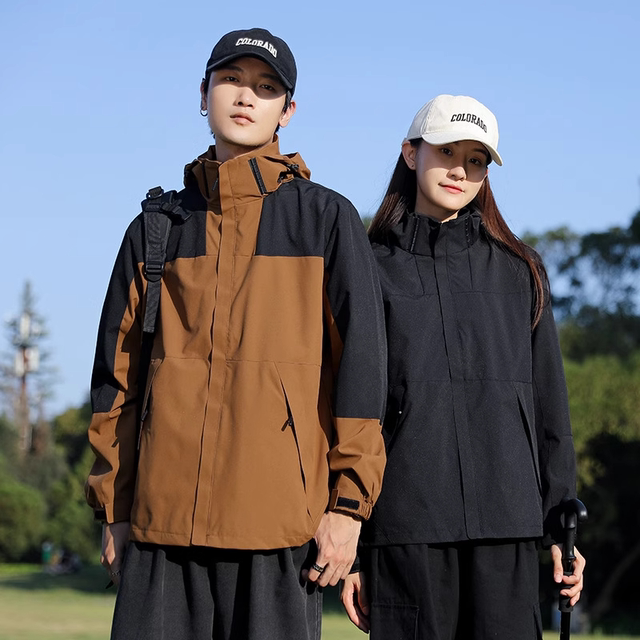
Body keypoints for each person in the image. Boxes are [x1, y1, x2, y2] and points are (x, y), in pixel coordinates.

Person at [85, 27, 387, 640]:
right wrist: (113, 508)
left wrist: (349, 508)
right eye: (231, 80)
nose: (246, 96)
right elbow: (116, 381)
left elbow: (362, 371)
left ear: (288, 110)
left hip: (280, 532)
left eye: (266, 87)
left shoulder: (325, 219)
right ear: (203, 95)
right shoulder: (156, 229)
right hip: (161, 529)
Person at [341, 94, 585, 639]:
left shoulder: (521, 271)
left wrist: (561, 528)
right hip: (405, 529)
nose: (460, 170)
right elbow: (352, 409)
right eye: (446, 152)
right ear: (411, 154)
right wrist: (353, 544)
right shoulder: (369, 269)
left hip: (508, 530)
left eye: (476, 160)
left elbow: (550, 412)